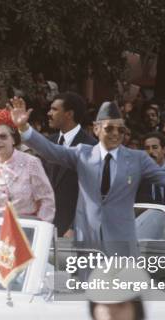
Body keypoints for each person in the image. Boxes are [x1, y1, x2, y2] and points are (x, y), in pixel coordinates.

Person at [9, 97, 165, 254]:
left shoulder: (137, 158)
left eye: (121, 130)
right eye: (110, 128)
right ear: (96, 129)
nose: (116, 134)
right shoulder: (82, 153)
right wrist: (24, 129)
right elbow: (50, 150)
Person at [0, 109, 55, 222]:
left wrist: (41, 228)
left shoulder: (31, 163)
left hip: (27, 231)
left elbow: (46, 200)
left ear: (14, 139)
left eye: (3, 136)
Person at [44, 92, 96, 236]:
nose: (49, 113)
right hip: (44, 225)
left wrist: (74, 227)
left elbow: (92, 194)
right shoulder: (48, 142)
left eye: (54, 109)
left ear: (69, 114)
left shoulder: (91, 147)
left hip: (73, 231)